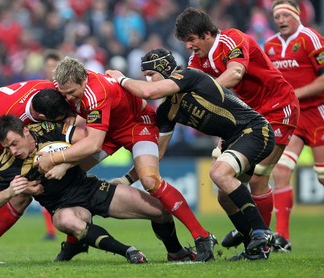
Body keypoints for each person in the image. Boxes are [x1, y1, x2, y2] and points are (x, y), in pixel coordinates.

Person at [36, 56, 218, 262]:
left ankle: (202, 236)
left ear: (84, 81)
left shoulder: (97, 93)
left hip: (138, 125)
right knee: (72, 176)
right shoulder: (70, 90)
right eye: (64, 93)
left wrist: (56, 159)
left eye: (71, 93)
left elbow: (93, 145)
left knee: (150, 181)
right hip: (109, 130)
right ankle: (73, 243)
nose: (68, 98)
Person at [106, 48, 276, 260]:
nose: (148, 80)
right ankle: (255, 246)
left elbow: (149, 92)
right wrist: (127, 179)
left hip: (255, 129)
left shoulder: (189, 75)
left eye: (151, 74)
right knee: (225, 196)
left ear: (166, 69)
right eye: (145, 76)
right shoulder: (166, 110)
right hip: (234, 140)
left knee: (220, 174)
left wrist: (121, 79)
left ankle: (262, 232)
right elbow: (157, 153)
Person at [0, 114, 198, 264]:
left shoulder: (47, 130)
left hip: (90, 188)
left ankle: (176, 251)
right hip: (62, 206)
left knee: (160, 210)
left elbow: (86, 141)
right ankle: (128, 251)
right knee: (65, 222)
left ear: (25, 132)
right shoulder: (7, 164)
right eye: (6, 147)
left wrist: (62, 163)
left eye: (14, 144)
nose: (13, 151)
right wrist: (12, 191)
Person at [174, 7, 299, 256]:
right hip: (249, 116)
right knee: (225, 193)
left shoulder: (232, 39)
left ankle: (261, 240)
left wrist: (204, 89)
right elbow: (190, 89)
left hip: (278, 106)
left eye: (191, 39)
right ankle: (249, 235)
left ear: (207, 33)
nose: (188, 46)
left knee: (258, 176)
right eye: (185, 41)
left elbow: (235, 73)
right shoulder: (196, 61)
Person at [0, 80, 72, 264]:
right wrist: (23, 186)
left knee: (25, 194)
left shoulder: (50, 93)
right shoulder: (11, 119)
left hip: (10, 129)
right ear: (41, 115)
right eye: (56, 120)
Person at [264, 0, 324, 252]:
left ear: (297, 16)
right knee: (280, 171)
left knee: (322, 176)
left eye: (285, 14)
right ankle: (282, 238)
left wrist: (294, 94)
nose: (280, 20)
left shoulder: (311, 39)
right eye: (276, 16)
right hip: (294, 117)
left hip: (319, 113)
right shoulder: (270, 46)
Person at [40, 50, 61, 240]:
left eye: (54, 66)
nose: (50, 70)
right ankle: (50, 230)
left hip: (63, 143)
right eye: (48, 66)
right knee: (43, 185)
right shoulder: (39, 90)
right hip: (44, 143)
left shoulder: (64, 90)